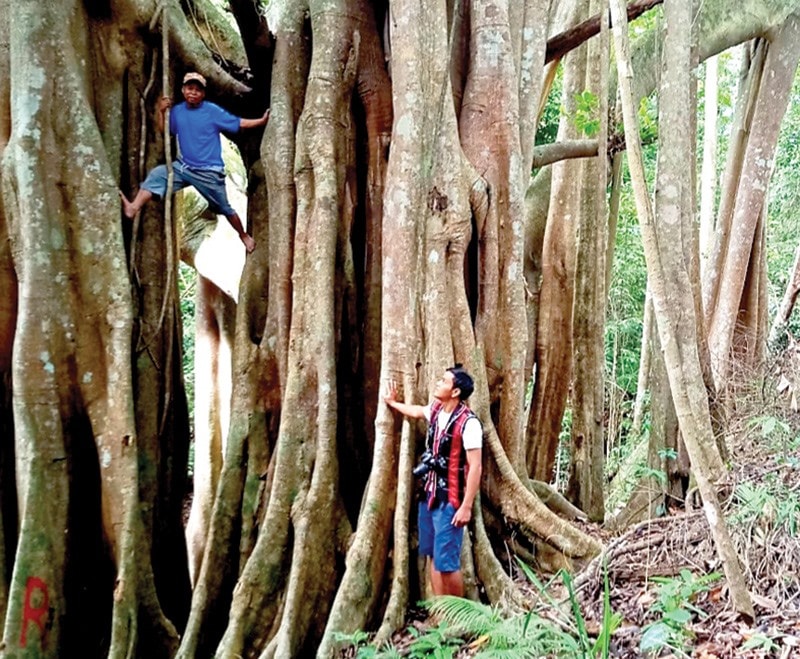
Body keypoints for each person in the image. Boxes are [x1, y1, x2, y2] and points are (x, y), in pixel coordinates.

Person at [120, 72, 269, 253]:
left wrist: (261, 121)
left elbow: (239, 123)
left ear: (203, 94)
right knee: (157, 175)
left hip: (209, 172)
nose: (193, 92)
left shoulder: (211, 111)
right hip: (184, 168)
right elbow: (165, 131)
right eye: (190, 88)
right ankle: (133, 207)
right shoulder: (177, 111)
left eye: (198, 90)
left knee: (224, 207)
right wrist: (161, 111)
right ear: (183, 90)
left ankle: (243, 235)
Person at [384, 364, 483, 597]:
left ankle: (456, 617)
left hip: (451, 500)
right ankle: (440, 611)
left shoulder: (469, 424)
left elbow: (476, 466)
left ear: (456, 392)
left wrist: (466, 506)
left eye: (444, 381)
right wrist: (393, 403)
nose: (438, 383)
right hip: (429, 495)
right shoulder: (438, 410)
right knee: (431, 555)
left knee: (447, 564)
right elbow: (418, 411)